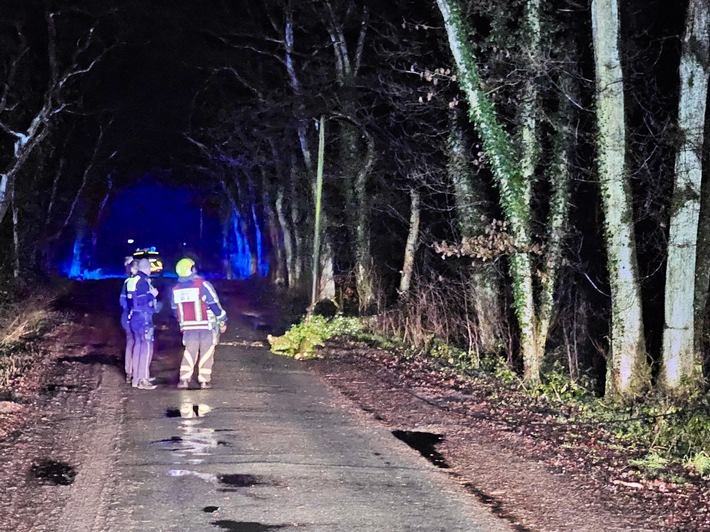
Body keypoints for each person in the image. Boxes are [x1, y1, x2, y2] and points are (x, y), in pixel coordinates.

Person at [171, 257, 227, 389]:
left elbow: (175, 310)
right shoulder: (203, 285)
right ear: (192, 270)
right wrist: (222, 320)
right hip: (206, 325)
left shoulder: (175, 289)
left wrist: (183, 322)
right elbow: (214, 305)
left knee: (189, 352)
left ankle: (184, 379)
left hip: (188, 328)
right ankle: (204, 380)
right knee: (207, 352)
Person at [128, 257, 159, 390]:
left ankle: (136, 379)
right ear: (147, 268)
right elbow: (142, 300)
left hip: (134, 316)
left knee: (138, 346)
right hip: (143, 317)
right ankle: (143, 379)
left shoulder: (132, 280)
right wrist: (153, 295)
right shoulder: (143, 282)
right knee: (145, 347)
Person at [119, 257, 139, 384]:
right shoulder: (136, 282)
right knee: (137, 343)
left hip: (126, 317)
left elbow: (122, 301)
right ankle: (137, 373)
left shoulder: (126, 282)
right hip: (133, 317)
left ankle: (129, 373)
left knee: (130, 343)